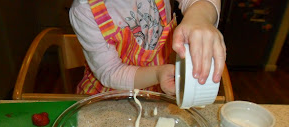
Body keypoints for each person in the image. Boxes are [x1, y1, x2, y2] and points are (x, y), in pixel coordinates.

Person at [69, 0, 226, 95]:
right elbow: (111, 72)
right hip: (106, 96)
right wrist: (157, 74)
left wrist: (199, 17)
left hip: (156, 89)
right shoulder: (84, 11)